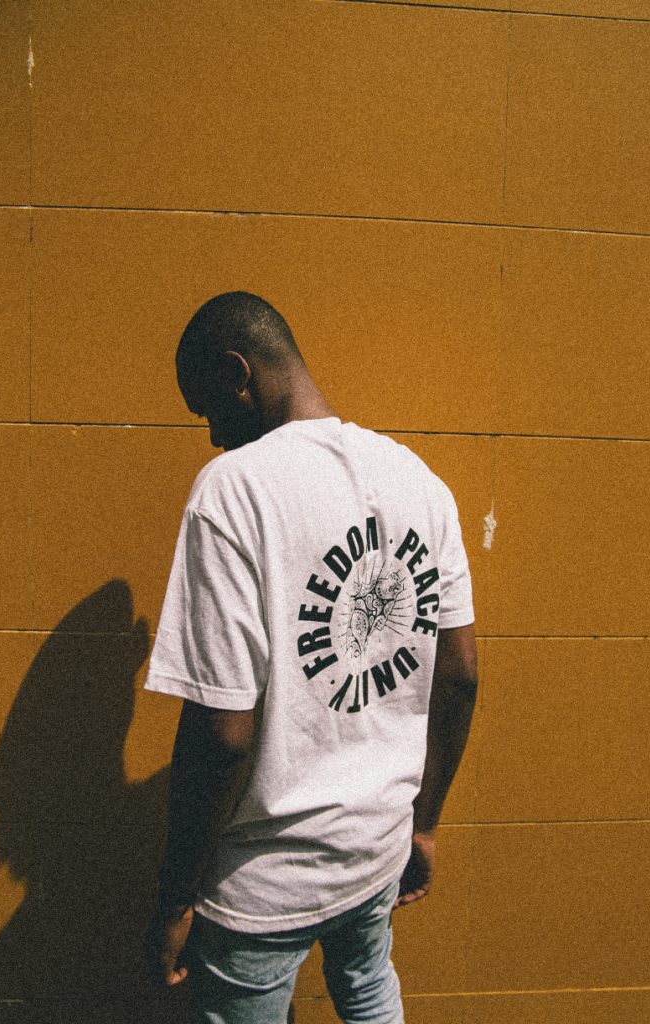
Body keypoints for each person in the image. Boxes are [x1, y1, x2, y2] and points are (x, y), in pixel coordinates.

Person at [144, 291, 478, 1024]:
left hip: (267, 883)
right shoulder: (420, 481)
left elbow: (224, 731)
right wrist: (424, 824)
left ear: (237, 374)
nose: (212, 437)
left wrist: (175, 897)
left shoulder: (234, 492)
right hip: (377, 848)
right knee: (369, 990)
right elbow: (459, 675)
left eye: (207, 410)